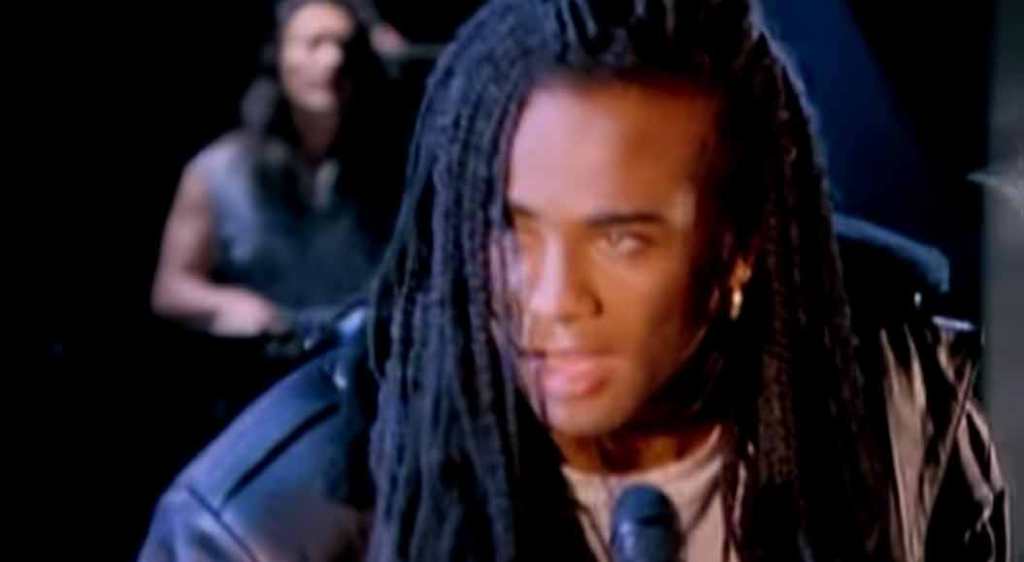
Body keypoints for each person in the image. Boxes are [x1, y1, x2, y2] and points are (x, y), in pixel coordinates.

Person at [139, 0, 1009, 561]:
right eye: (510, 229)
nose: (553, 300)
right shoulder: (253, 529)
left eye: (622, 239)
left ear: (737, 251)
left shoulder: (908, 405)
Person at [151, 0, 402, 342]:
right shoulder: (219, 171)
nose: (333, 59)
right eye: (314, 44)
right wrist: (228, 304)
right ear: (279, 57)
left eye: (346, 46)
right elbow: (170, 288)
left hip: (367, 353)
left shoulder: (395, 165)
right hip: (267, 355)